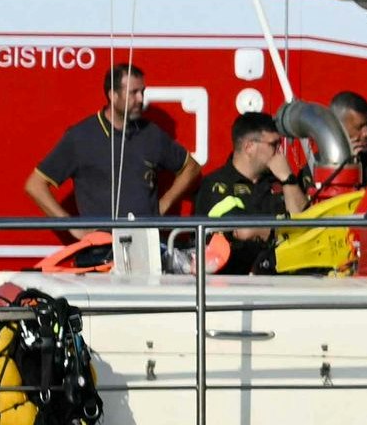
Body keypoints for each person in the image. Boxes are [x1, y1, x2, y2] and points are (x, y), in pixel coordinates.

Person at [25, 63, 201, 250]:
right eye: (133, 92)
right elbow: (35, 185)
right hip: (101, 252)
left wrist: (165, 203)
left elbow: (192, 167)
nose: (141, 99)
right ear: (112, 94)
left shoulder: (151, 134)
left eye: (142, 92)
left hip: (147, 248)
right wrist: (72, 226)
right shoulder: (81, 137)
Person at [192, 111, 311, 273]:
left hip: (282, 280)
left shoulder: (280, 182)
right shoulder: (215, 184)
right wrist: (285, 231)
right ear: (249, 147)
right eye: (273, 145)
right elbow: (243, 230)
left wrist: (288, 179)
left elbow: (305, 226)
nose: (279, 152)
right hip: (232, 282)